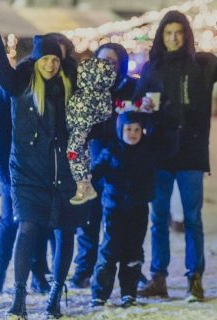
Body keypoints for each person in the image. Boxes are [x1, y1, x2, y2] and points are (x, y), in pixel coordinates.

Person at [0, 1, 82, 318]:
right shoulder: (20, 84)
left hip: (64, 174)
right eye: (45, 59)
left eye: (55, 59)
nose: (50, 64)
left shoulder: (67, 87)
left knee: (66, 233)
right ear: (35, 60)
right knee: (26, 229)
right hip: (27, 174)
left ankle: (54, 296)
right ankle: (19, 297)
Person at [136, 10, 217, 303]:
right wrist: (144, 111)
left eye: (178, 32)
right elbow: (139, 103)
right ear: (162, 36)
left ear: (186, 35)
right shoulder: (152, 68)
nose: (173, 38)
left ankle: (194, 278)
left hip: (191, 152)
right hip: (159, 152)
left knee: (192, 219)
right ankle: (158, 277)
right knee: (158, 219)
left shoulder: (203, 63)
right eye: (168, 33)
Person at [88, 110, 179, 308]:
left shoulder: (148, 151)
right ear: (120, 130)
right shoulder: (111, 151)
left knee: (133, 252)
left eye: (137, 129)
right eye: (128, 129)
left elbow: (170, 147)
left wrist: (167, 124)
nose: (133, 133)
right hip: (114, 210)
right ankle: (99, 294)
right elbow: (96, 171)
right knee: (109, 250)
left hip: (138, 209)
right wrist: (86, 181)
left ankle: (128, 293)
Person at [69, 42, 139, 289]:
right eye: (103, 60)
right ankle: (84, 267)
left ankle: (126, 268)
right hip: (94, 162)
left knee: (120, 220)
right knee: (89, 219)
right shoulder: (86, 88)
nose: (107, 65)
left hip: (123, 165)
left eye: (112, 61)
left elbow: (138, 120)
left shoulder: (131, 87)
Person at [67, 57, 116, 204]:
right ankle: (86, 185)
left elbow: (85, 116)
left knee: (73, 153)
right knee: (84, 153)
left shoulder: (89, 96)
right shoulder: (100, 94)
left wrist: (79, 133)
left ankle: (82, 186)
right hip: (81, 128)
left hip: (80, 128)